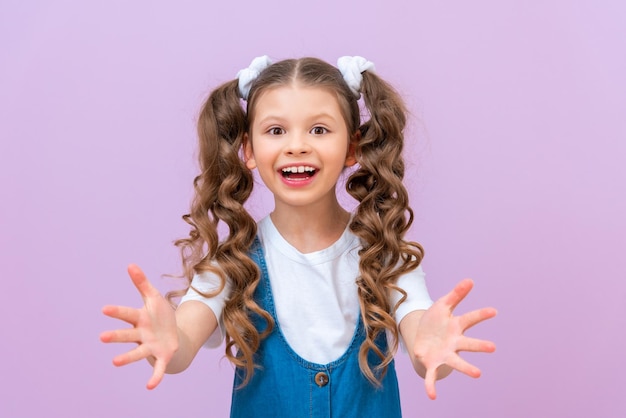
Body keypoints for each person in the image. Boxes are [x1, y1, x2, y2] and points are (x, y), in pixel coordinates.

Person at [100, 55, 497, 417]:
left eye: (320, 129)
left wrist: (434, 351)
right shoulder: (233, 262)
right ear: (249, 151)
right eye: (275, 130)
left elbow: (423, 342)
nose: (297, 146)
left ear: (352, 147)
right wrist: (170, 339)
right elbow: (184, 340)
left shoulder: (384, 255)